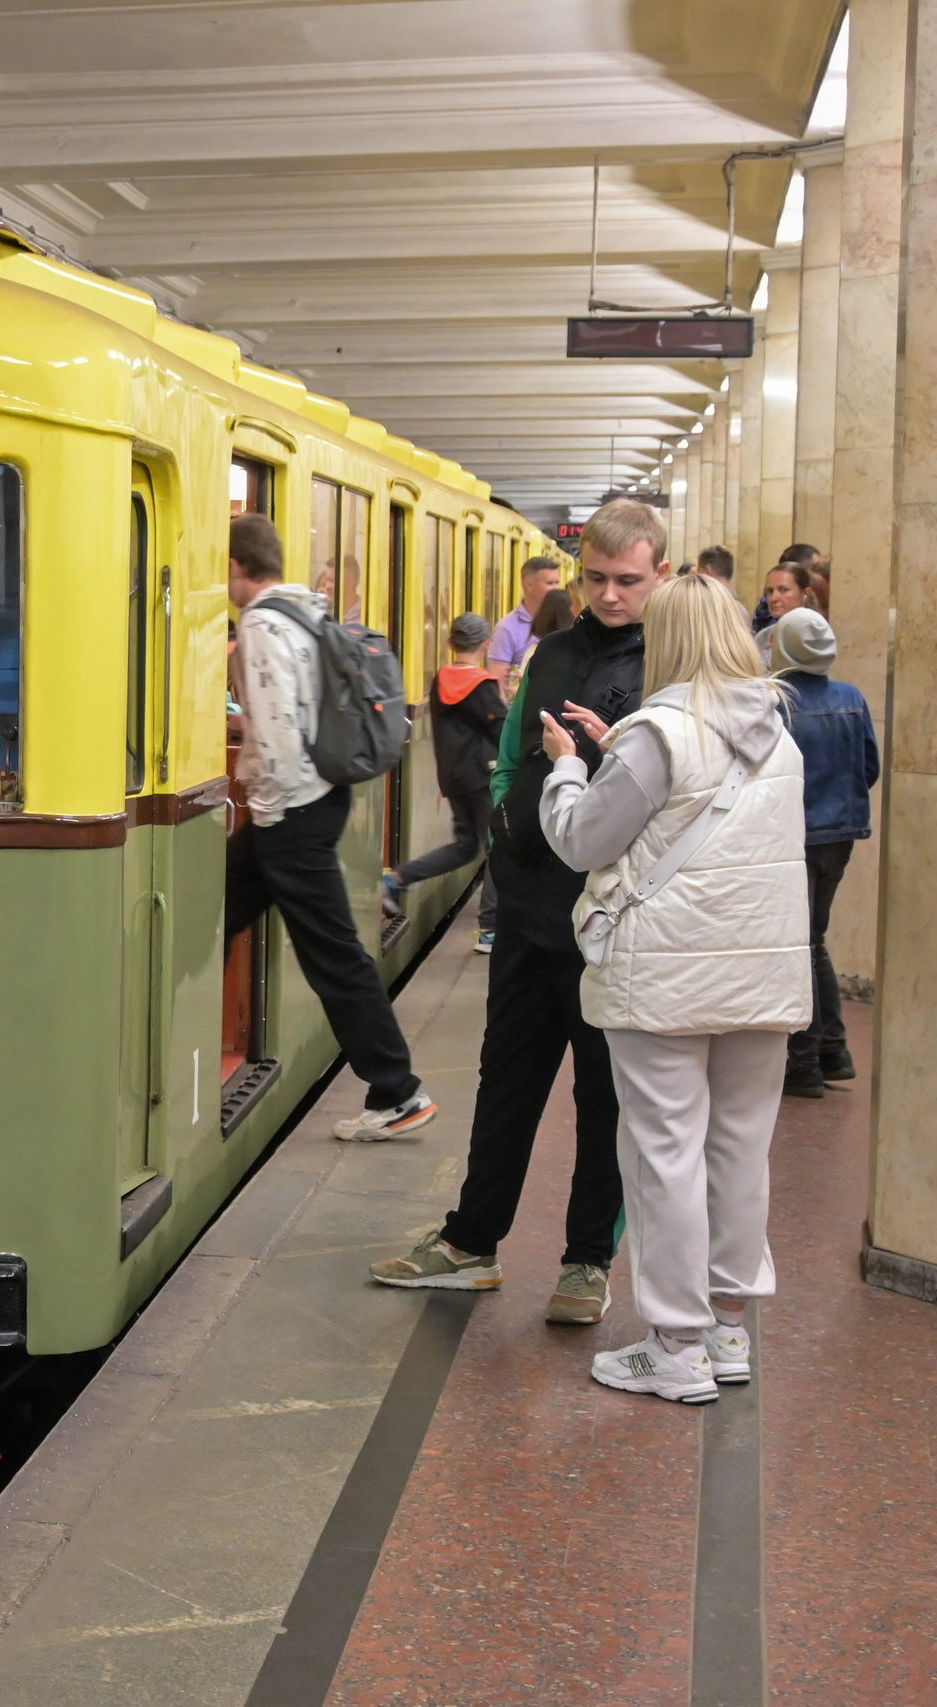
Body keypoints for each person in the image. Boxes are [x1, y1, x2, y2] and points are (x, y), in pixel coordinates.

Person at [368, 497, 661, 1324]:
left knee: (605, 1094)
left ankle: (586, 1262)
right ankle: (471, 1241)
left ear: (658, 575)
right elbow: (511, 757)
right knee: (508, 1081)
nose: (609, 594)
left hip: (611, 914)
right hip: (533, 903)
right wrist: (502, 828)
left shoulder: (670, 664)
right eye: (597, 578)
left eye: (627, 580)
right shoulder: (553, 653)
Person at [533, 573, 809, 1402]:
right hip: (760, 978)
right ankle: (726, 1328)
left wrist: (567, 770)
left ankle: (675, 1345)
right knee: (737, 1148)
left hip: (666, 982)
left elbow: (582, 840)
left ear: (672, 640)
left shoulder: (658, 735)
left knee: (664, 1153)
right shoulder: (777, 733)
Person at [225, 513, 437, 1140]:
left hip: (291, 811)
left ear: (237, 567)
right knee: (212, 911)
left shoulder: (261, 623)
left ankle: (398, 1090)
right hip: (317, 800)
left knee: (334, 954)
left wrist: (267, 803)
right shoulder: (305, 612)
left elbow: (282, 728)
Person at [768, 608, 876, 1097]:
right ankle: (833, 1049)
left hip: (794, 834)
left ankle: (806, 1060)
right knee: (815, 941)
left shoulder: (777, 703)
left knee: (802, 945)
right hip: (840, 835)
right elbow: (867, 766)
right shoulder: (852, 699)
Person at [383, 611, 504, 952]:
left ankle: (398, 877)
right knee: (498, 848)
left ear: (451, 643)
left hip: (453, 778)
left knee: (466, 846)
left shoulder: (440, 681)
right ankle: (489, 928)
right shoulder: (481, 686)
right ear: (486, 644)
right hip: (482, 776)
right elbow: (501, 727)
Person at [489, 554, 561, 697]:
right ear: (529, 585)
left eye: (557, 582)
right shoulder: (506, 629)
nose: (557, 588)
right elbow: (498, 685)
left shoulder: (562, 621)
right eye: (550, 583)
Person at [757, 561, 814, 658]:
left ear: (806, 594)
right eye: (770, 591)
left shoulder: (817, 634)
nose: (773, 598)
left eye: (784, 589)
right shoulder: (763, 637)